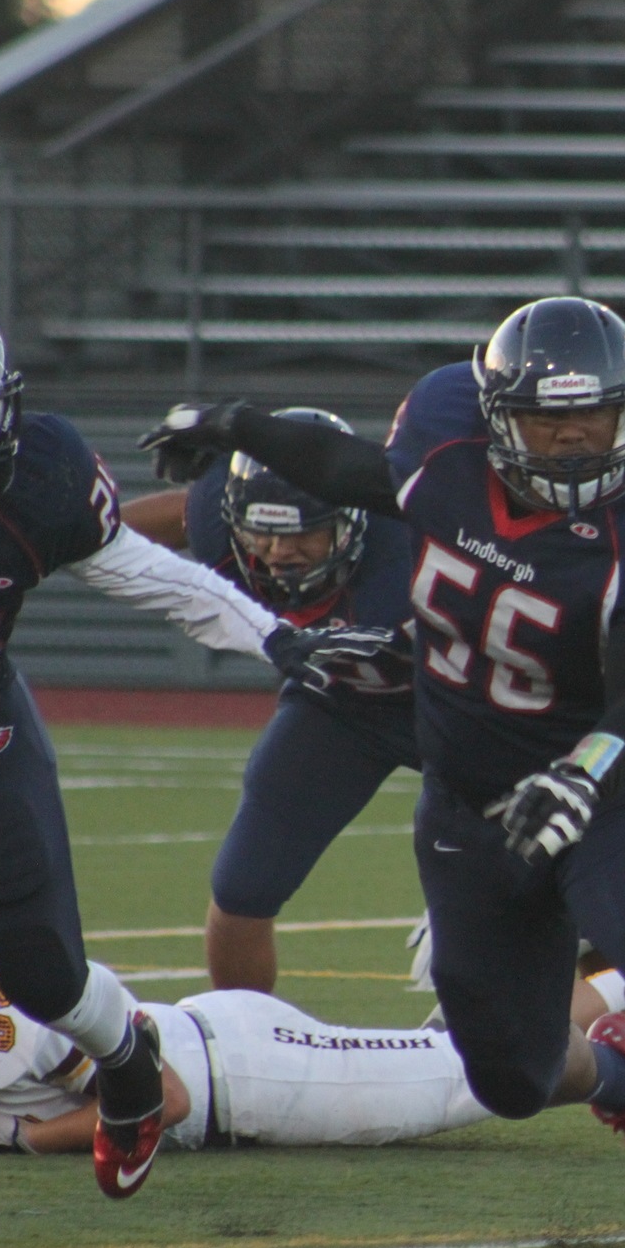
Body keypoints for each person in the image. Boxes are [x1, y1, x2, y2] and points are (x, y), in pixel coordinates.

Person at [139, 297, 625, 1248]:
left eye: (596, 417)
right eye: (548, 419)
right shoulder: (444, 461)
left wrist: (580, 778)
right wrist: (237, 422)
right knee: (507, 1076)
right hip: (464, 805)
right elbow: (344, 470)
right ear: (498, 419)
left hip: (604, 789)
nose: (575, 438)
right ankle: (618, 1068)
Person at [0, 291, 389, 1248]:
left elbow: (144, 569)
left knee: (47, 976)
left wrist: (274, 636)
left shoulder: (36, 478)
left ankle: (129, 1059)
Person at [121, 409, 421, 993]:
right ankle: (246, 1044)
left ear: (354, 517)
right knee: (242, 890)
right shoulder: (217, 517)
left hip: (464, 709)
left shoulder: (413, 538)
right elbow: (178, 517)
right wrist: (68, 536)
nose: (279, 553)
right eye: (264, 532)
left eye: (303, 531)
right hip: (343, 706)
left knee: (529, 873)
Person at [0, 892, 496, 1154]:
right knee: (468, 1054)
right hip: (217, 1053)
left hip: (247, 1076)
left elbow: (163, 1099)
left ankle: (583, 993)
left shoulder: (8, 1009)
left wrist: (28, 1139)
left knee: (488, 1075)